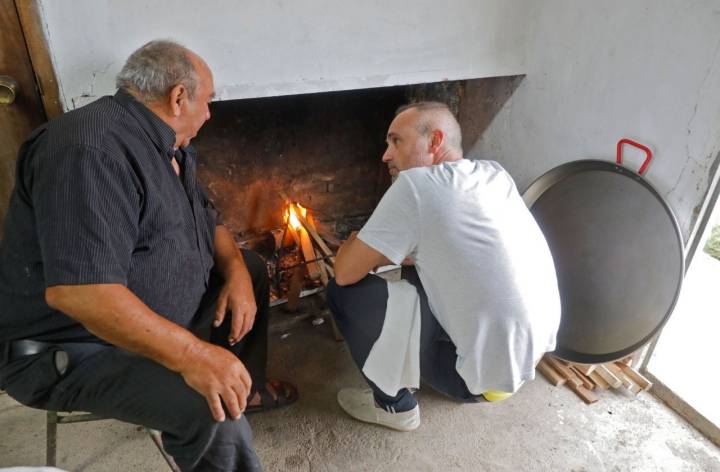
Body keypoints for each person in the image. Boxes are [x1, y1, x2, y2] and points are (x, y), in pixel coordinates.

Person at [0, 40, 297, 471]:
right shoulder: (90, 149)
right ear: (179, 97)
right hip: (78, 347)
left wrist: (235, 273)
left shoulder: (168, 143)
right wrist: (195, 357)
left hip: (153, 313)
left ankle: (241, 389)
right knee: (211, 414)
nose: (210, 114)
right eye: (208, 101)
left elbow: (209, 220)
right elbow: (82, 296)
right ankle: (221, 404)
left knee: (250, 268)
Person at [327, 101, 561, 431]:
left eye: (396, 141)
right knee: (416, 263)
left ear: (434, 142)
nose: (386, 155)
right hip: (526, 363)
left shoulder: (415, 186)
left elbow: (345, 271)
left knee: (341, 292)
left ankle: (395, 407)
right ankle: (452, 359)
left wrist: (352, 241)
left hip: (477, 384)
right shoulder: (493, 173)